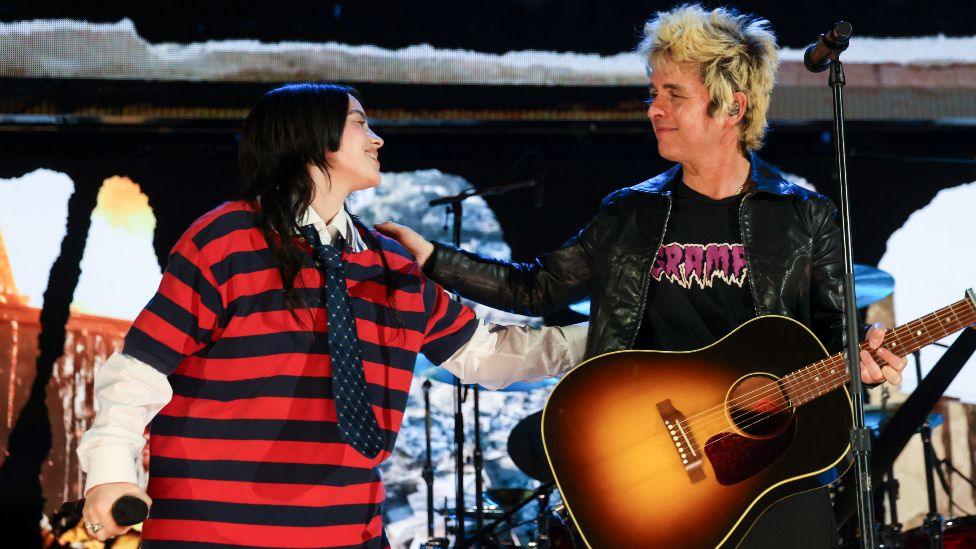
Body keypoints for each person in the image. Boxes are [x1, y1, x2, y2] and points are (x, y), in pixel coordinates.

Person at [377, 5, 908, 548]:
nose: (653, 108)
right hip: (661, 481)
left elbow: (830, 339)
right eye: (653, 93)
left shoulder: (806, 217)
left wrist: (861, 360)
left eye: (673, 94)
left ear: (732, 106)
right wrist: (431, 258)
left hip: (774, 476)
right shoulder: (630, 213)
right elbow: (534, 289)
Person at [77, 83, 587, 547]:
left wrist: (617, 336)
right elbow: (140, 369)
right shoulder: (225, 239)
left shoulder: (389, 261)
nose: (377, 139)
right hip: (215, 530)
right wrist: (110, 472)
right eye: (360, 122)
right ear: (311, 137)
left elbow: (485, 355)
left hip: (347, 533)